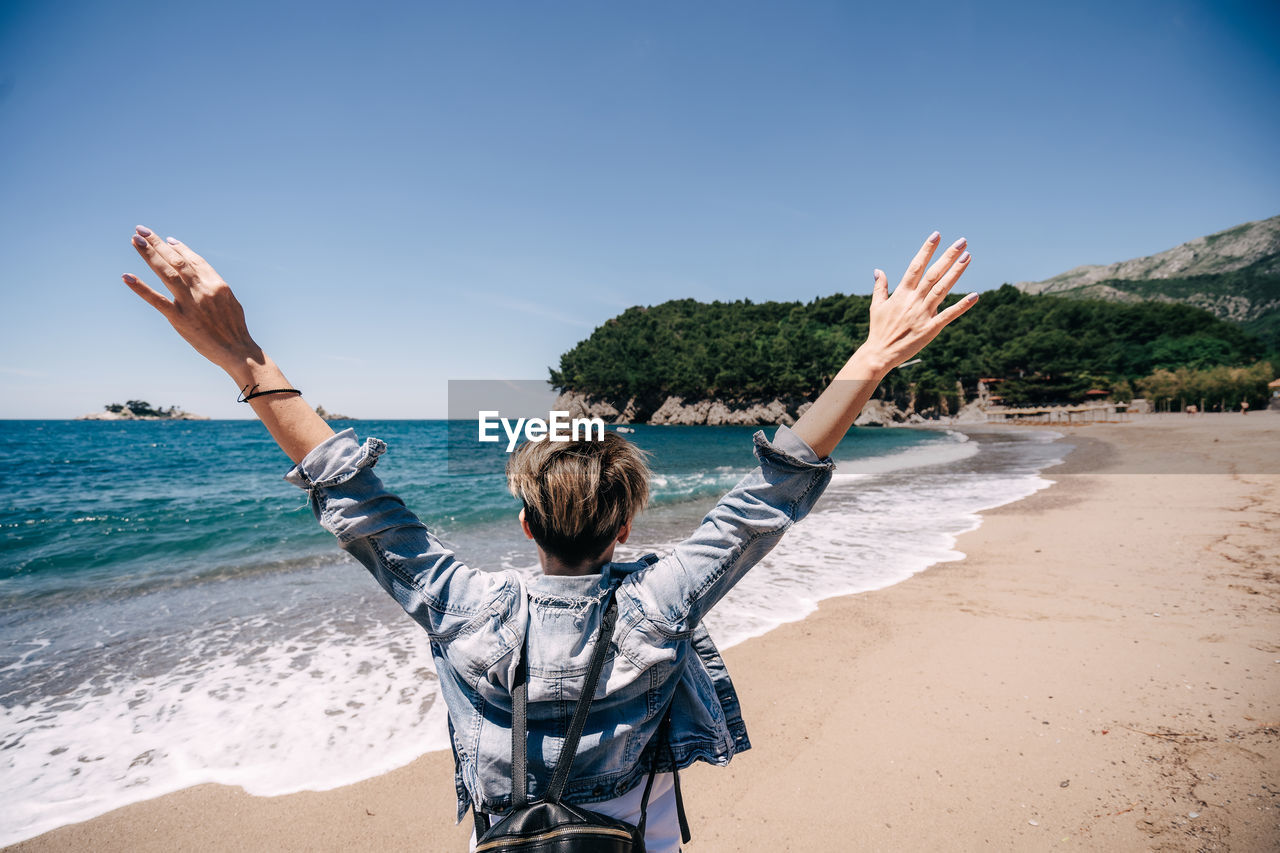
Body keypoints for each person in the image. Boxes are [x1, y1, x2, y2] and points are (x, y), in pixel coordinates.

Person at [121, 226, 977, 850]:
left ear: (526, 523)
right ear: (630, 524)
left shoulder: (465, 608)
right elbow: (770, 494)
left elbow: (351, 491)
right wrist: (868, 361)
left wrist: (244, 357)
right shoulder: (659, 601)